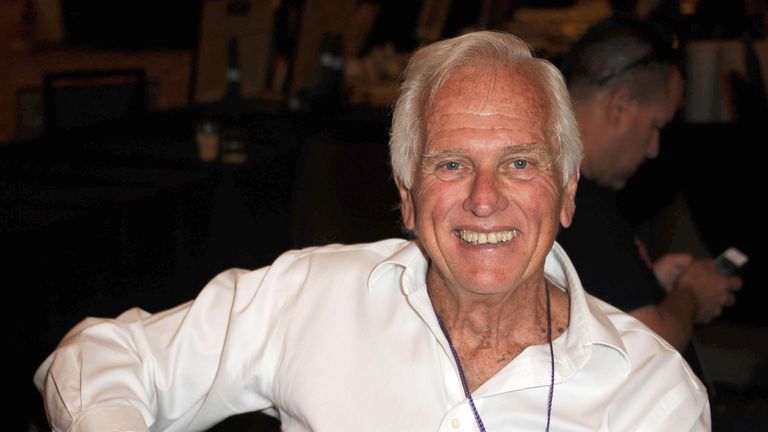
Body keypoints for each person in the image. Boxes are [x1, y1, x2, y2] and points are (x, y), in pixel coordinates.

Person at [35, 30, 709, 431]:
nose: (484, 199)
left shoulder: (652, 398)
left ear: (566, 195)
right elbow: (99, 358)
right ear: (408, 197)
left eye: (519, 163)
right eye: (451, 164)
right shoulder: (313, 296)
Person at [556, 19, 742, 354]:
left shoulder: (554, 180)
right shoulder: (580, 204)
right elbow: (650, 343)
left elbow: (601, 303)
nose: (654, 148)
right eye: (655, 126)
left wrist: (648, 284)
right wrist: (691, 295)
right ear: (621, 106)